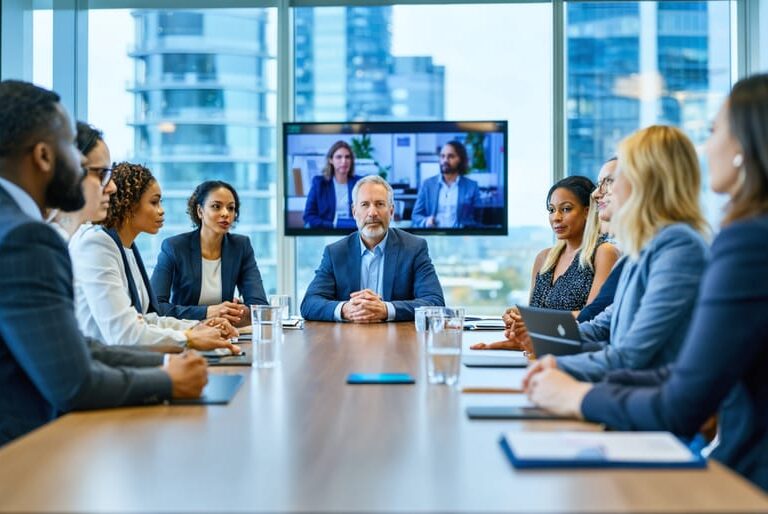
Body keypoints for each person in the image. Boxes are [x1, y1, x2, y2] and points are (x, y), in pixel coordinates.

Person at [525, 74, 768, 491]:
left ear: (746, 145)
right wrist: (553, 356)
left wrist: (572, 392)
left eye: (713, 132)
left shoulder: (716, 244)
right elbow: (620, 335)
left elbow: (663, 378)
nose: (603, 193)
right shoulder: (655, 247)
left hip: (740, 474)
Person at [0, 80, 207, 446]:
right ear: (45, 157)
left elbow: (75, 345)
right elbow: (73, 382)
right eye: (83, 164)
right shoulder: (26, 238)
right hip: (23, 454)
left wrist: (165, 363)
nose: (107, 186)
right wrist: (169, 380)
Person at [70, 162, 240, 353]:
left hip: (126, 360)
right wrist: (189, 337)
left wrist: (198, 327)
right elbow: (124, 334)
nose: (161, 210)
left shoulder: (127, 247)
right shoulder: (97, 243)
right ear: (129, 204)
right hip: (105, 365)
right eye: (154, 202)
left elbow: (146, 318)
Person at [300, 175, 445, 322]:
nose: (372, 213)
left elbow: (435, 302)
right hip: (346, 340)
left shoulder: (414, 248)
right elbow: (309, 304)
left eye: (380, 204)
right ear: (354, 211)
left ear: (391, 211)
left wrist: (386, 309)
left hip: (399, 340)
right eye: (364, 204)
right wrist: (345, 309)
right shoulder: (335, 252)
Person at [151, 180, 268, 325]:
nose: (225, 213)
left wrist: (237, 311)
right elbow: (156, 307)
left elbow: (260, 305)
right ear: (200, 211)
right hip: (185, 335)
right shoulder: (174, 247)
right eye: (216, 206)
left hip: (226, 334)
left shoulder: (240, 246)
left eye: (231, 208)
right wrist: (208, 312)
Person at [48, 122, 116, 240]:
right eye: (102, 174)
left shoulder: (63, 239)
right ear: (70, 172)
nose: (112, 187)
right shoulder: (44, 244)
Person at [411, 141, 481, 228]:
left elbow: (478, 219)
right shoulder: (428, 185)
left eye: (450, 156)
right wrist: (426, 221)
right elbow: (416, 216)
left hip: (461, 237)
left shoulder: (472, 186)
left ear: (460, 159)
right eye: (442, 156)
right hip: (434, 236)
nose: (445, 160)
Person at [303, 140, 360, 229]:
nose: (344, 161)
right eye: (339, 157)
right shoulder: (319, 183)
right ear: (331, 160)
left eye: (347, 157)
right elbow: (309, 216)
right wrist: (333, 226)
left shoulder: (359, 183)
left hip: (354, 234)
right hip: (326, 233)